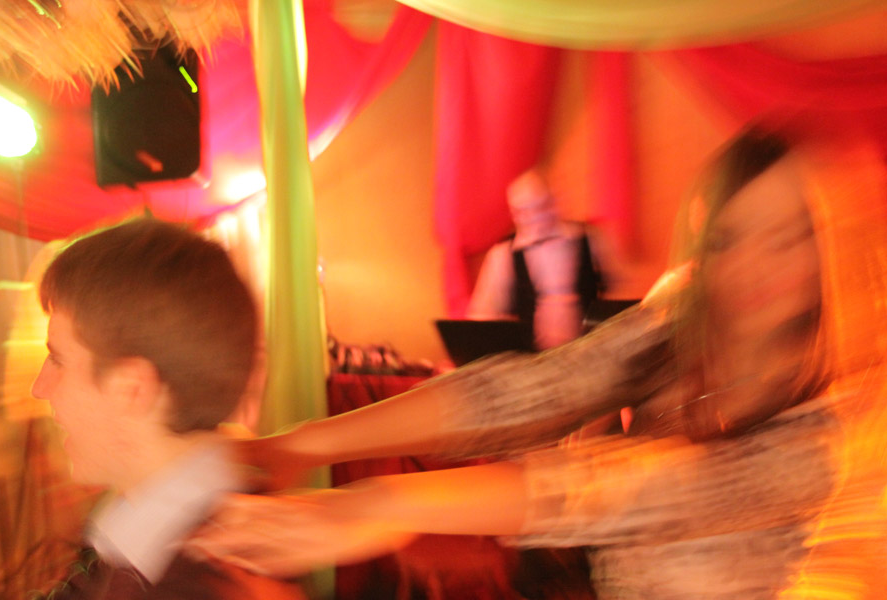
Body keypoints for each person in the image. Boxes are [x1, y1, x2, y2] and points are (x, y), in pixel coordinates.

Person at [188, 123, 887, 598]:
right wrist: (294, 445)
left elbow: (633, 490)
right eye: (730, 238)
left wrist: (381, 503)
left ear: (835, 246)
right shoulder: (685, 315)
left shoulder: (851, 416)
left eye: (789, 238)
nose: (752, 268)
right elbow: (530, 392)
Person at [31, 219, 304, 599]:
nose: (39, 388)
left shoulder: (203, 584)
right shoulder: (135, 527)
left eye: (57, 359)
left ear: (132, 389)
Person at [466, 167, 607, 350]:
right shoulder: (503, 255)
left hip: (589, 353)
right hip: (532, 359)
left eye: (541, 207)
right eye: (522, 212)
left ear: (554, 201)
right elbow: (482, 317)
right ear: (513, 214)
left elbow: (620, 296)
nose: (534, 218)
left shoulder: (591, 238)